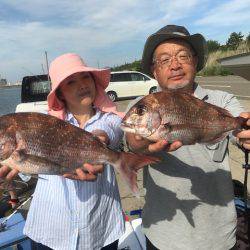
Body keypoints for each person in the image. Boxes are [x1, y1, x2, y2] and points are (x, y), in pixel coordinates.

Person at [125, 25, 250, 250]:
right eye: (164, 60)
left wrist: (245, 133)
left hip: (220, 234)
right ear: (154, 70)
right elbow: (133, 142)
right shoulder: (146, 103)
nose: (175, 65)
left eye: (183, 56)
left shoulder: (223, 101)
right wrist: (141, 142)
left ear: (195, 62)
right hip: (163, 235)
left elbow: (237, 129)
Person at [0, 53, 125, 249]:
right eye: (70, 82)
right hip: (49, 231)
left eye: (86, 77)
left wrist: (99, 139)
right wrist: (19, 172)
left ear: (94, 82)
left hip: (99, 231)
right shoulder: (43, 123)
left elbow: (111, 130)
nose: (82, 84)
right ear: (59, 93)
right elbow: (30, 170)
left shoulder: (111, 119)